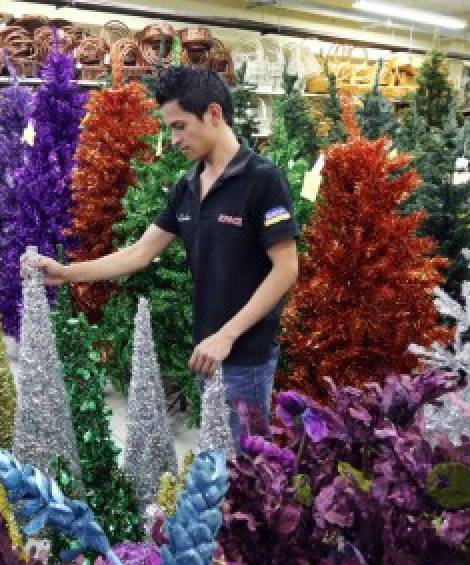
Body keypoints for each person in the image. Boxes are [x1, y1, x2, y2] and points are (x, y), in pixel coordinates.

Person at [28, 66, 300, 443]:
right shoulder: (187, 186)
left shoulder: (263, 179)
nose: (173, 138)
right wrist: (66, 273)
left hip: (244, 356)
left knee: (246, 469)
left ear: (214, 114)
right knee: (216, 463)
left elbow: (286, 269)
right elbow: (140, 252)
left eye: (179, 125)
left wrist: (228, 335)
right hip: (205, 351)